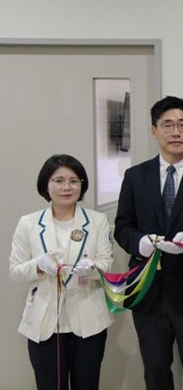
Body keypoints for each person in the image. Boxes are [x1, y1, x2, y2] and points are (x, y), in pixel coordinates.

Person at [114, 96, 183, 390]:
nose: (176, 132)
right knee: (155, 371)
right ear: (154, 131)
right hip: (147, 288)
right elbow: (123, 227)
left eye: (182, 125)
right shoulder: (135, 176)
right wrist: (141, 243)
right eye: (167, 125)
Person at [9, 154, 113, 390]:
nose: (67, 187)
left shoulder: (97, 221)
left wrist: (91, 269)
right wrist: (38, 265)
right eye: (58, 181)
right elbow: (15, 270)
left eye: (74, 181)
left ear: (82, 185)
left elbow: (106, 264)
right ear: (46, 185)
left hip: (89, 321)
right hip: (44, 325)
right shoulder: (28, 223)